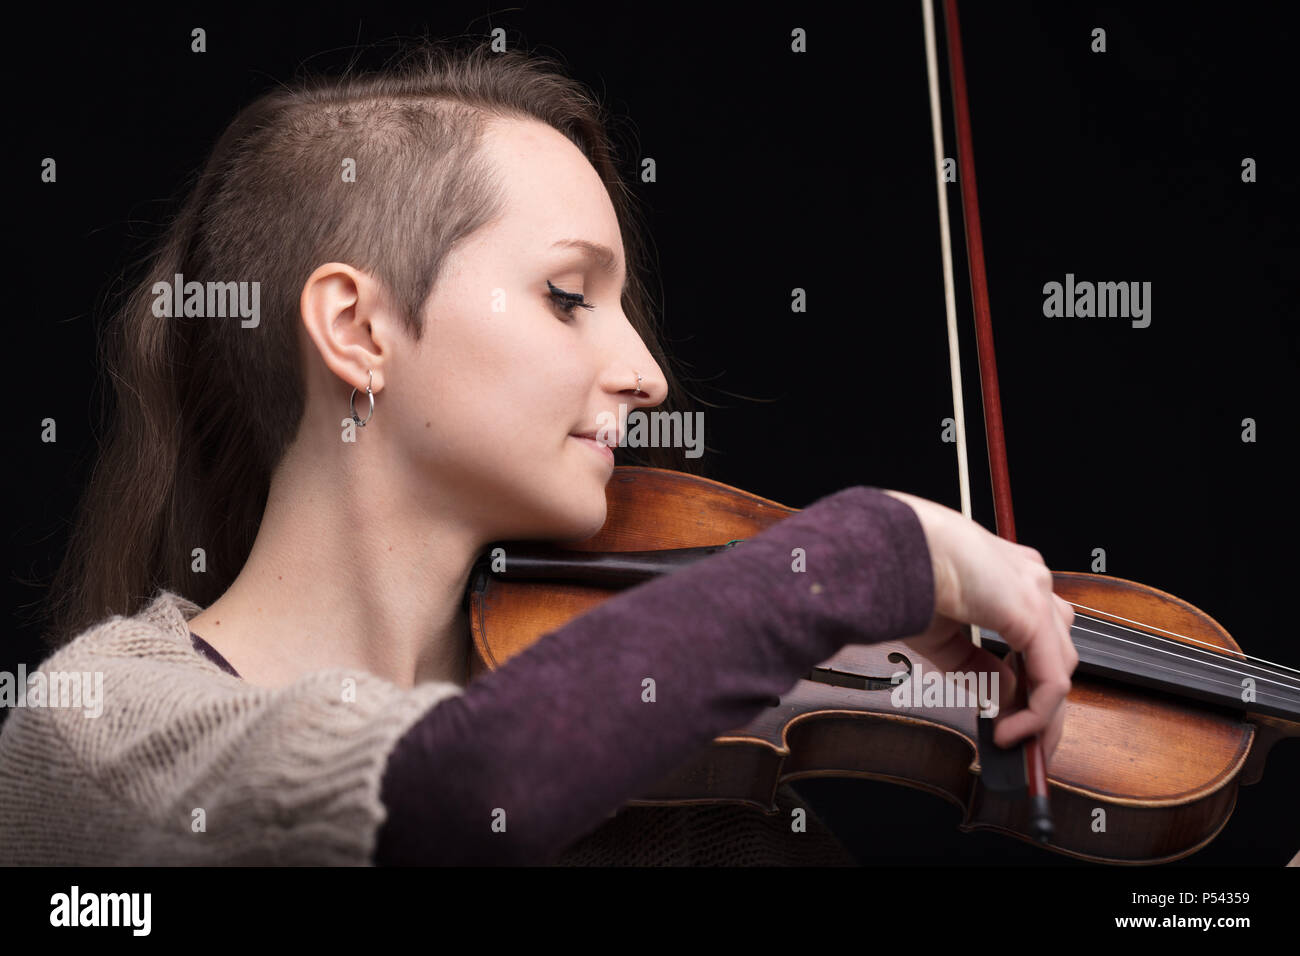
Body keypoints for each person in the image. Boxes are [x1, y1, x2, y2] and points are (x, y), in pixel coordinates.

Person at [0, 39, 1076, 866]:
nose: (648, 373)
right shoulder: (97, 727)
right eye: (569, 297)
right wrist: (867, 551)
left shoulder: (672, 783)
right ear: (357, 330)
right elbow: (455, 786)